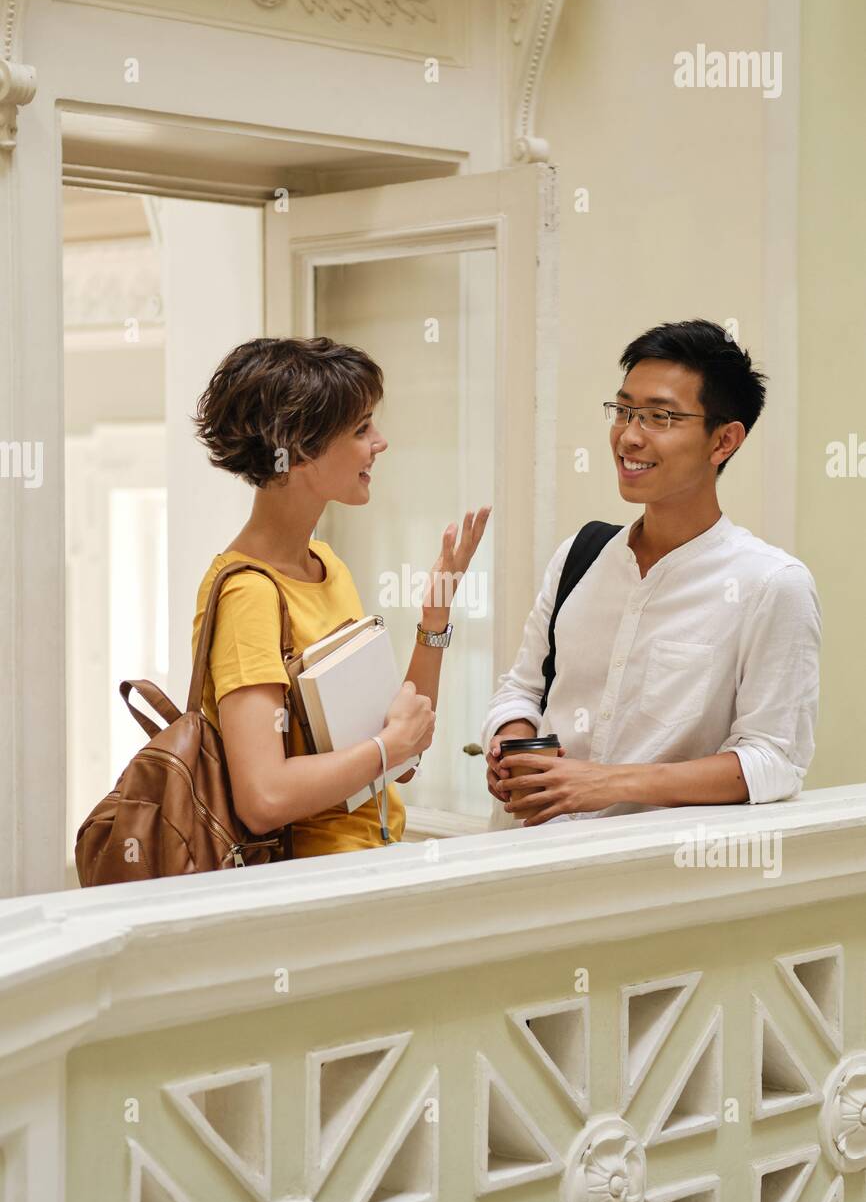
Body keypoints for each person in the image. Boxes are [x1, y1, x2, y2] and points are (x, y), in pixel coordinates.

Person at [483, 319, 821, 826]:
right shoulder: (581, 554)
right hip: (530, 857)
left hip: (657, 881)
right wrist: (511, 736)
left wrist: (605, 782)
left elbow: (774, 761)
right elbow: (523, 689)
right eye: (623, 411)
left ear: (723, 441)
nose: (629, 437)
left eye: (660, 417)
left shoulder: (771, 584)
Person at [192, 335, 490, 857]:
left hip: (369, 865)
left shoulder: (327, 565)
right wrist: (387, 747)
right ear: (300, 449)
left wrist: (435, 615)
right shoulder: (248, 594)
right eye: (361, 428)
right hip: (306, 891)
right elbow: (263, 796)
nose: (381, 442)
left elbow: (402, 754)